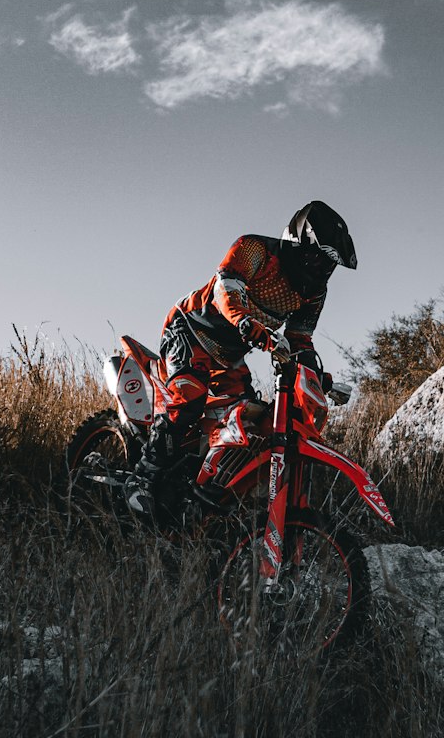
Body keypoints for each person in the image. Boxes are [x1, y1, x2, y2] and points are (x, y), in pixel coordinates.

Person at [124, 201, 357, 519]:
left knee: (246, 425)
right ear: (298, 244)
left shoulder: (313, 292)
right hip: (189, 331)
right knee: (188, 400)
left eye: (328, 264)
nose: (321, 269)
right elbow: (226, 290)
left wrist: (316, 374)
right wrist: (247, 323)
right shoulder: (255, 249)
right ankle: (141, 480)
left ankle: (201, 496)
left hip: (228, 356)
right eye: (317, 257)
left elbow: (301, 339)